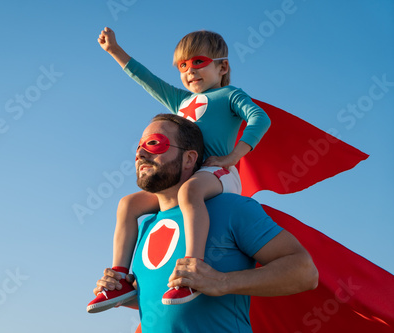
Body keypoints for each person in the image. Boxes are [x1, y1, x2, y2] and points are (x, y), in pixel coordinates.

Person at [88, 27, 271, 309]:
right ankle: (121, 279)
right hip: (187, 178)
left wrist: (233, 156)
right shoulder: (180, 101)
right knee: (128, 204)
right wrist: (114, 50)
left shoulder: (229, 95)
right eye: (183, 66)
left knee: (189, 193)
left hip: (218, 174)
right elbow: (145, 78)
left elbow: (260, 118)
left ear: (222, 66)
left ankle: (191, 271)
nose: (190, 71)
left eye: (198, 62)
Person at [91, 114, 318, 332]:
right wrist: (123, 292)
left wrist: (223, 281)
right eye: (139, 147)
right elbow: (161, 301)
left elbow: (305, 272)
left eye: (153, 143)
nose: (140, 154)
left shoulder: (231, 208)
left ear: (189, 158)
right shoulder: (144, 225)